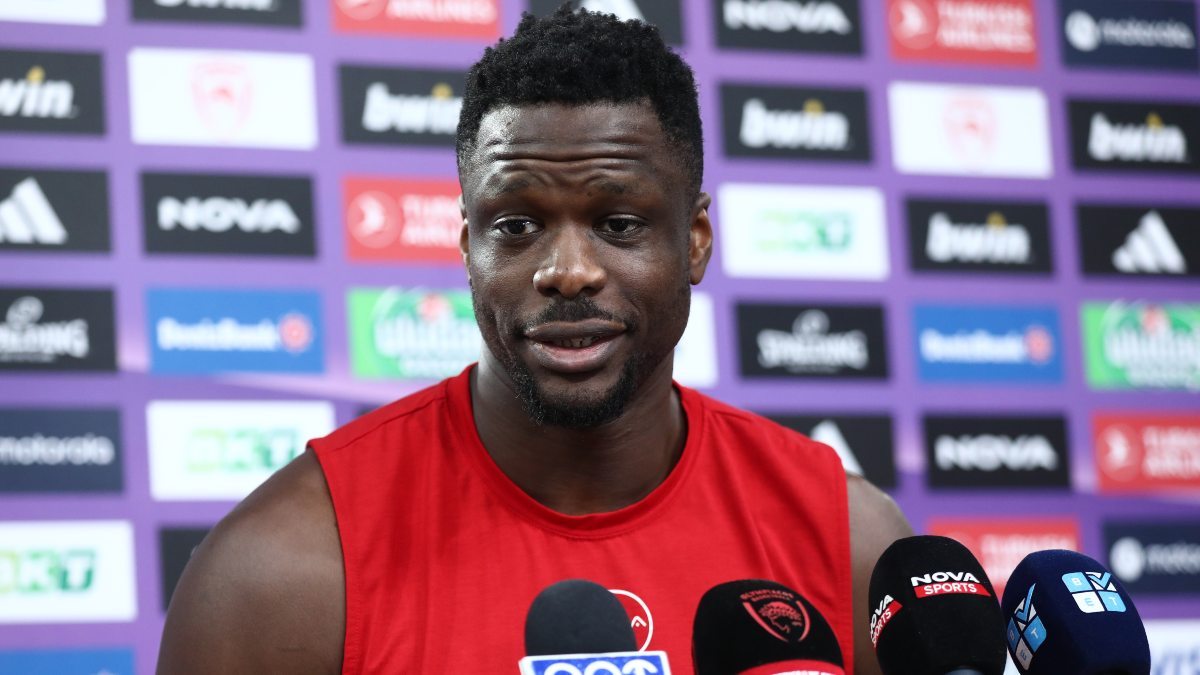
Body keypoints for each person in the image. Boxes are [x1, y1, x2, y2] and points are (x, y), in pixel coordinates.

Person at [157, 6, 912, 674]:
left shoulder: (850, 543)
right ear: (468, 245)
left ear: (694, 241)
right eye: (517, 225)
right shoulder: (282, 572)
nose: (569, 271)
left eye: (619, 224)